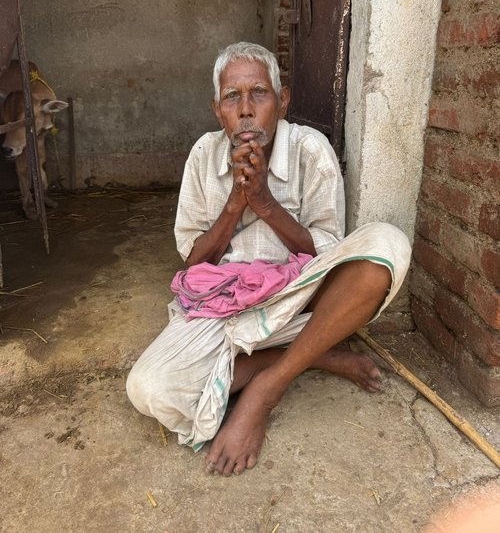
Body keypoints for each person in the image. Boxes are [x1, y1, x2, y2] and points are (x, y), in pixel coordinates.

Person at [126, 42, 411, 476]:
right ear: (217, 110)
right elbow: (192, 264)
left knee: (386, 246)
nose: (245, 110)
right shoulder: (204, 155)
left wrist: (264, 201)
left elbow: (327, 252)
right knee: (149, 390)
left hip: (300, 297)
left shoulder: (309, 149)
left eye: (259, 93)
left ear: (282, 102)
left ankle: (265, 387)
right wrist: (235, 204)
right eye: (231, 97)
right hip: (226, 304)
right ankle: (315, 356)